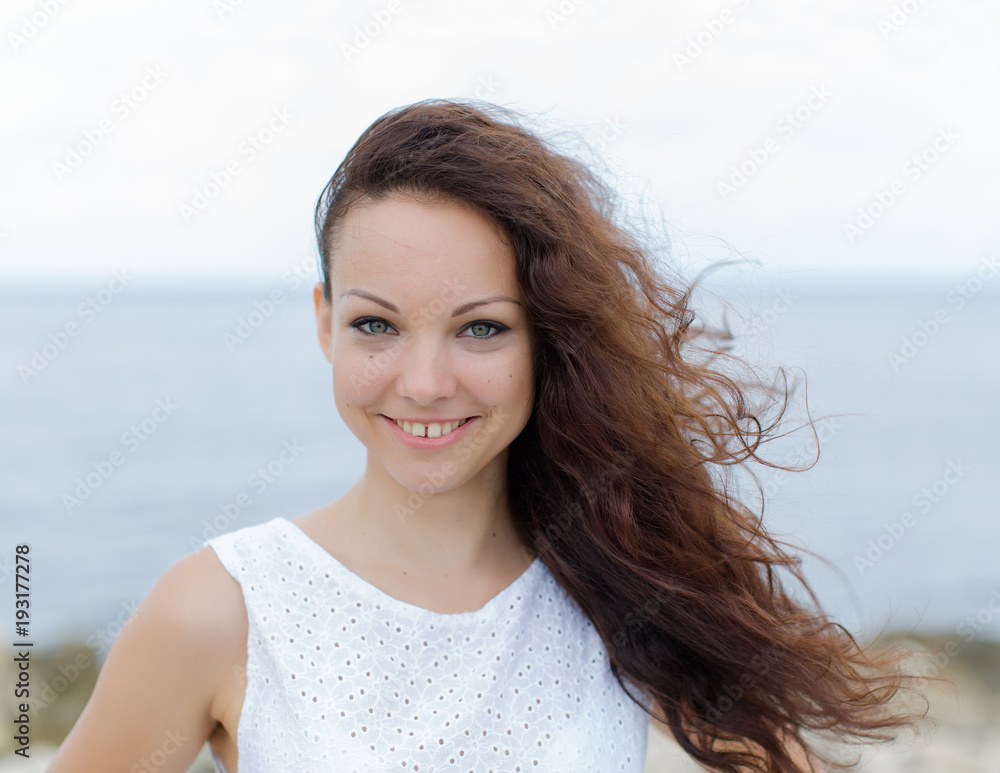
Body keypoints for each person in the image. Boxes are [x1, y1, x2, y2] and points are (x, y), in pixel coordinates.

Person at [49, 98, 925, 772]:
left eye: (481, 328)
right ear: (324, 322)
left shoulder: (626, 587)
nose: (424, 382)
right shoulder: (220, 609)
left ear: (550, 334)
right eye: (376, 325)